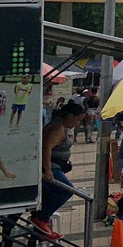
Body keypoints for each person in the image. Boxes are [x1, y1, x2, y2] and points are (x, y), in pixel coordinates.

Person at [32, 101, 86, 239]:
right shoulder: (57, 128)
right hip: (49, 166)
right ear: (69, 115)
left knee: (50, 195)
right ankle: (42, 218)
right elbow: (46, 148)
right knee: (67, 190)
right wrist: (48, 170)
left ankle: (41, 225)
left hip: (56, 165)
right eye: (77, 119)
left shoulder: (61, 126)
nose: (77, 123)